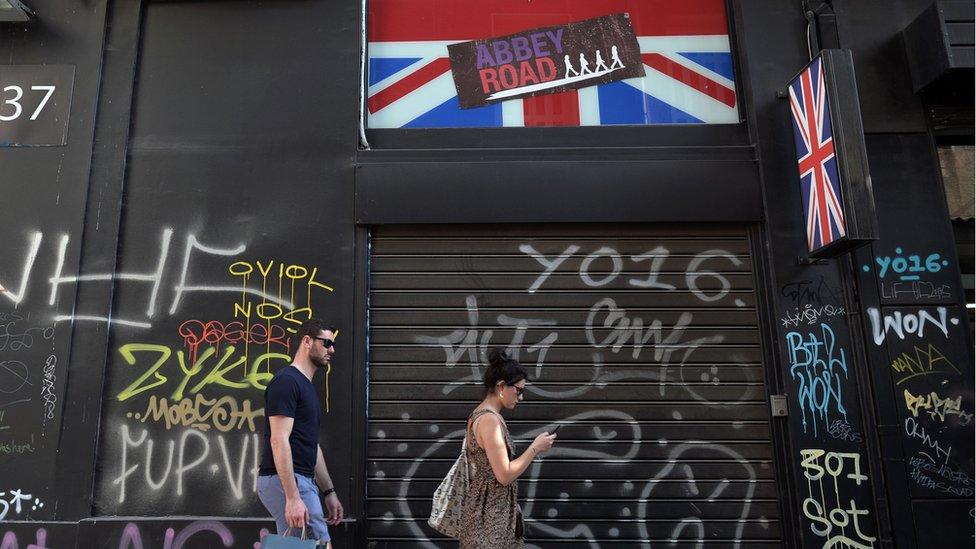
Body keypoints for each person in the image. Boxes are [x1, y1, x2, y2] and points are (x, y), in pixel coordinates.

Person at [458, 348, 557, 549]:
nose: (520, 397)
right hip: (490, 520)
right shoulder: (489, 421)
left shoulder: (482, 415)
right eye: (518, 390)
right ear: (501, 386)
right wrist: (535, 448)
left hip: (487, 513)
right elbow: (504, 475)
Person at [257, 319, 344, 547]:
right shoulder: (287, 382)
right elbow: (279, 439)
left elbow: (310, 445)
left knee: (303, 545)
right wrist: (293, 497)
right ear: (307, 341)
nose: (331, 350)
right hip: (287, 480)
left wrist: (329, 492)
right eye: (326, 343)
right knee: (318, 542)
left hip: (302, 480)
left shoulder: (306, 386)